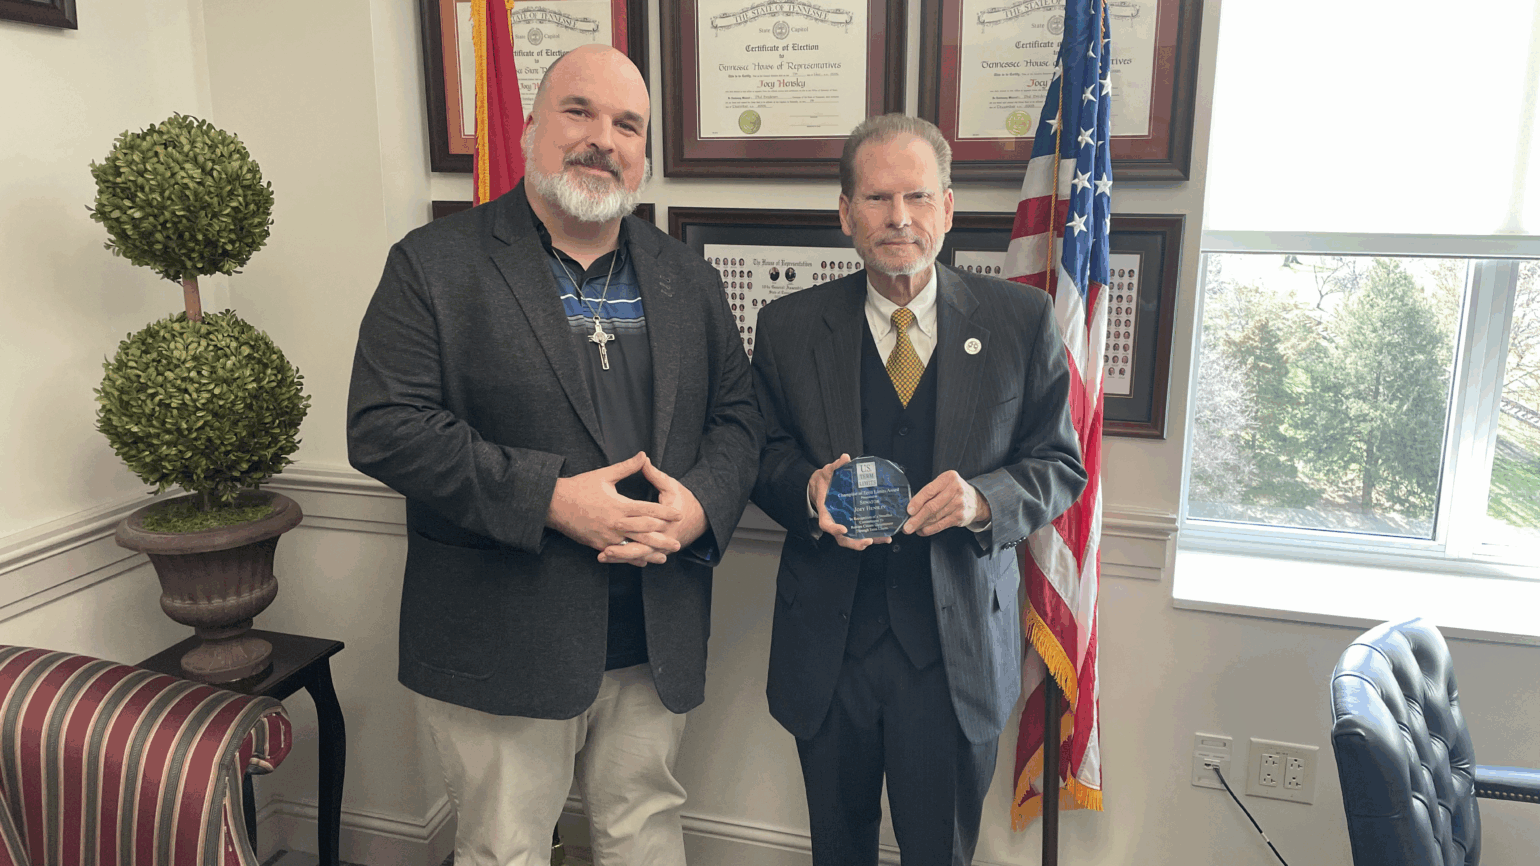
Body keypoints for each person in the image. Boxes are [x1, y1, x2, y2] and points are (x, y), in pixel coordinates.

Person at [346, 45, 761, 866]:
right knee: (505, 849)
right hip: (502, 632)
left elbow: (739, 417)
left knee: (643, 839)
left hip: (653, 628)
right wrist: (551, 499)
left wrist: (700, 506)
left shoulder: (686, 277)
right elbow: (385, 425)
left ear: (644, 155)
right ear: (530, 127)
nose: (602, 138)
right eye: (579, 112)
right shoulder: (434, 264)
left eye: (628, 125)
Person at [750, 114, 1087, 866]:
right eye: (876, 198)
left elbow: (1060, 464)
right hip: (830, 648)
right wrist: (808, 490)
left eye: (917, 196)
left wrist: (983, 501)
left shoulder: (1020, 321)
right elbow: (760, 455)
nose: (898, 217)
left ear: (947, 207)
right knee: (838, 851)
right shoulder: (788, 327)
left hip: (954, 652)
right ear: (846, 213)